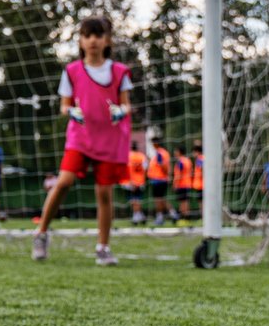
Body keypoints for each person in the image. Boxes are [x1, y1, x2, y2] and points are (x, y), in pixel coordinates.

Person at [33, 15, 133, 265]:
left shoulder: (120, 72)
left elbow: (126, 104)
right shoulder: (72, 71)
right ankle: (41, 233)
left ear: (107, 40)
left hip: (109, 140)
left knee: (104, 193)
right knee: (64, 181)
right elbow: (64, 106)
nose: (93, 41)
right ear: (80, 40)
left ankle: (103, 247)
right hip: (80, 137)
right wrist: (72, 112)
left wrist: (121, 111)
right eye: (87, 35)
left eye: (98, 35)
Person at [146, 138, 171, 225]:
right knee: (162, 198)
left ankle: (160, 217)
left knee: (158, 199)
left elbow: (163, 165)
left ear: (156, 143)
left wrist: (164, 175)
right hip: (160, 179)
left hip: (159, 180)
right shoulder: (163, 152)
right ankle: (173, 213)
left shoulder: (160, 153)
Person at [126, 141, 148, 226]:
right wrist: (143, 179)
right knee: (136, 200)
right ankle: (141, 216)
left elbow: (127, 169)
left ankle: (136, 217)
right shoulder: (142, 156)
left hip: (131, 181)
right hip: (140, 181)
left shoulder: (129, 156)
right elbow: (145, 169)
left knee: (134, 200)